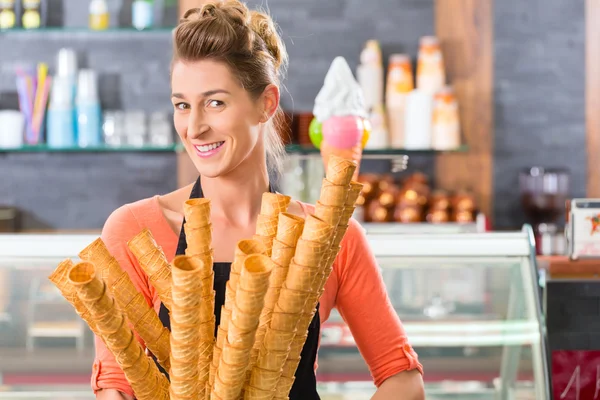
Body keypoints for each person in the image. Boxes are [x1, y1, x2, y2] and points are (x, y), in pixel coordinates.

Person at [93, 1, 424, 399]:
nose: (195, 127)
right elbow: (116, 383)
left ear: (266, 103)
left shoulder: (331, 237)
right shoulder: (136, 230)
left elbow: (401, 378)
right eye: (182, 104)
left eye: (215, 102)